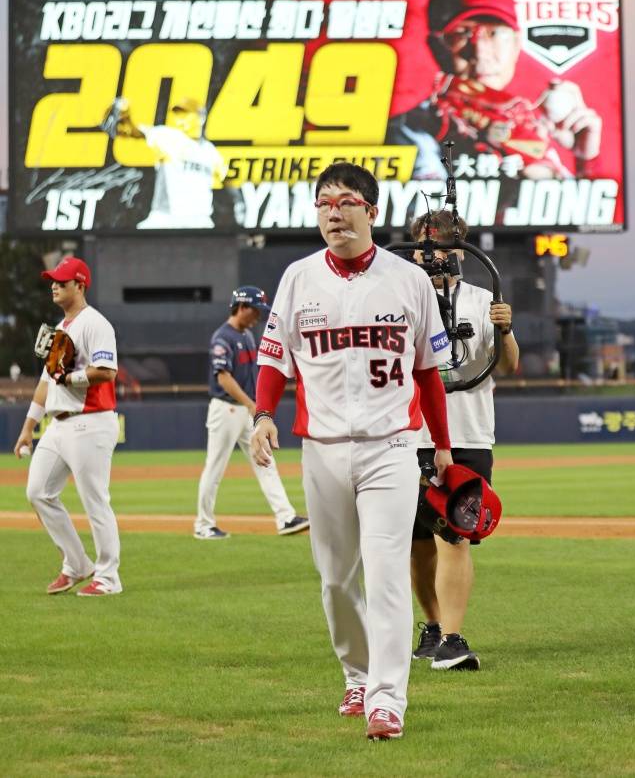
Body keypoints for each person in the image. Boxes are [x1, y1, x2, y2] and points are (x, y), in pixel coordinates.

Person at [250, 162, 453, 741]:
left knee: (386, 572)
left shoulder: (408, 280)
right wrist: (264, 415)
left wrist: (440, 444)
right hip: (323, 449)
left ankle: (388, 699)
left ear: (372, 211)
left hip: (391, 447)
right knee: (336, 579)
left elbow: (429, 374)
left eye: (344, 201)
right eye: (322, 204)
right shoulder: (297, 278)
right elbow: (272, 359)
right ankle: (357, 674)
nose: (332, 212)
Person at [409, 210, 519, 669]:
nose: (433, 254)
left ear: (461, 252)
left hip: (468, 430)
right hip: (409, 433)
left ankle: (453, 639)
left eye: (445, 246)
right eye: (425, 246)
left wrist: (506, 330)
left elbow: (508, 366)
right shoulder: (399, 298)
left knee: (455, 534)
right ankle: (433, 626)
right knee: (416, 541)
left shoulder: (481, 298)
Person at [388, 0, 602, 184]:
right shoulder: (409, 130)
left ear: (517, 44)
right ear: (437, 47)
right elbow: (433, 213)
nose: (480, 53)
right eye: (462, 34)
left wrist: (586, 161)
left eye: (494, 33)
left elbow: (583, 214)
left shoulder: (529, 126)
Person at [13, 257, 122, 596]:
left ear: (80, 284)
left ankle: (108, 577)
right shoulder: (61, 329)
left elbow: (107, 371)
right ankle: (77, 564)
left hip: (90, 421)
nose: (54, 285)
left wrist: (69, 375)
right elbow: (47, 384)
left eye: (62, 280)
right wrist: (27, 427)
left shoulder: (95, 323)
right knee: (38, 492)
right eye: (53, 280)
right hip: (58, 425)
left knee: (94, 501)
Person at [194, 285, 309, 540]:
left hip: (246, 410)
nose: (258, 316)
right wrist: (250, 404)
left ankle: (286, 517)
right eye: (255, 310)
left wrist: (253, 405)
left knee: (266, 460)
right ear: (242, 307)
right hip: (226, 409)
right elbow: (223, 378)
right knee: (215, 467)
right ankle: (203, 524)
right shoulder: (222, 337)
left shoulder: (246, 335)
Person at [102, 96, 226, 229]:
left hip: (200, 221)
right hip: (167, 219)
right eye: (178, 114)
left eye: (185, 114)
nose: (180, 118)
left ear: (201, 117)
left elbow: (224, 181)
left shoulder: (212, 152)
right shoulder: (169, 137)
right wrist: (123, 117)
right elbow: (132, 130)